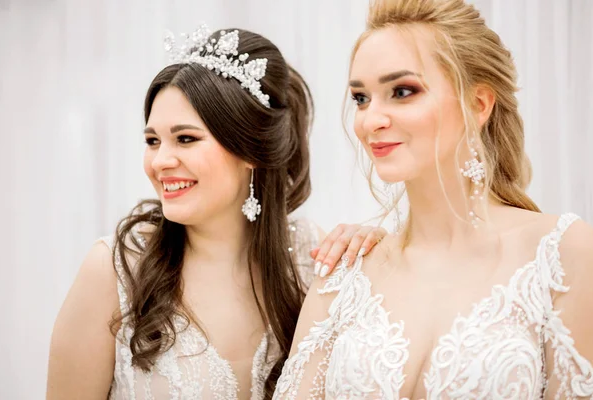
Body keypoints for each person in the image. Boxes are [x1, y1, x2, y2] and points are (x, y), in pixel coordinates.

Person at [274, 1, 593, 398]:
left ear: (478, 104)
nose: (370, 120)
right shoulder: (344, 275)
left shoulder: (562, 255)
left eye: (402, 91)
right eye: (361, 98)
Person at [46, 25, 386, 399]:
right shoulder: (115, 269)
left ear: (249, 151)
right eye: (152, 141)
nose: (161, 161)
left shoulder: (311, 258)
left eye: (185, 139)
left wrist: (377, 253)